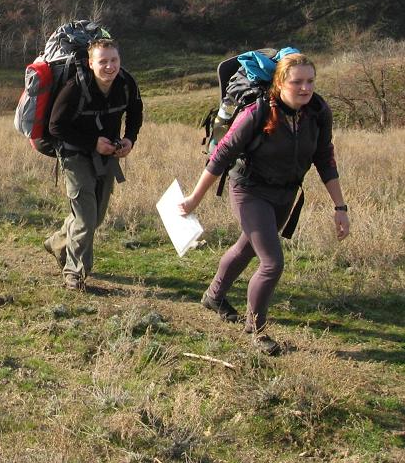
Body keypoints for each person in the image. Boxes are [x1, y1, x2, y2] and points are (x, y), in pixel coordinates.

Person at [178, 52, 348, 356]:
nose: (305, 88)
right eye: (297, 82)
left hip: (285, 194)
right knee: (272, 263)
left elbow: (325, 158)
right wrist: (194, 199)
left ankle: (214, 296)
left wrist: (340, 207)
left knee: (247, 247)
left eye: (310, 81)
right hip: (249, 190)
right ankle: (257, 330)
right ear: (280, 82)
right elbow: (222, 154)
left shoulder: (318, 112)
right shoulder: (258, 111)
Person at [42, 38, 143, 291]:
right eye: (103, 61)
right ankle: (74, 274)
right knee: (86, 219)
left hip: (107, 155)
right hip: (75, 155)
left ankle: (57, 241)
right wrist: (92, 143)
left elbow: (135, 112)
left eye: (114, 60)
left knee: (95, 218)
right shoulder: (75, 87)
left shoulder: (126, 83)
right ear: (90, 63)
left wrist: (129, 138)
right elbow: (56, 127)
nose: (110, 66)